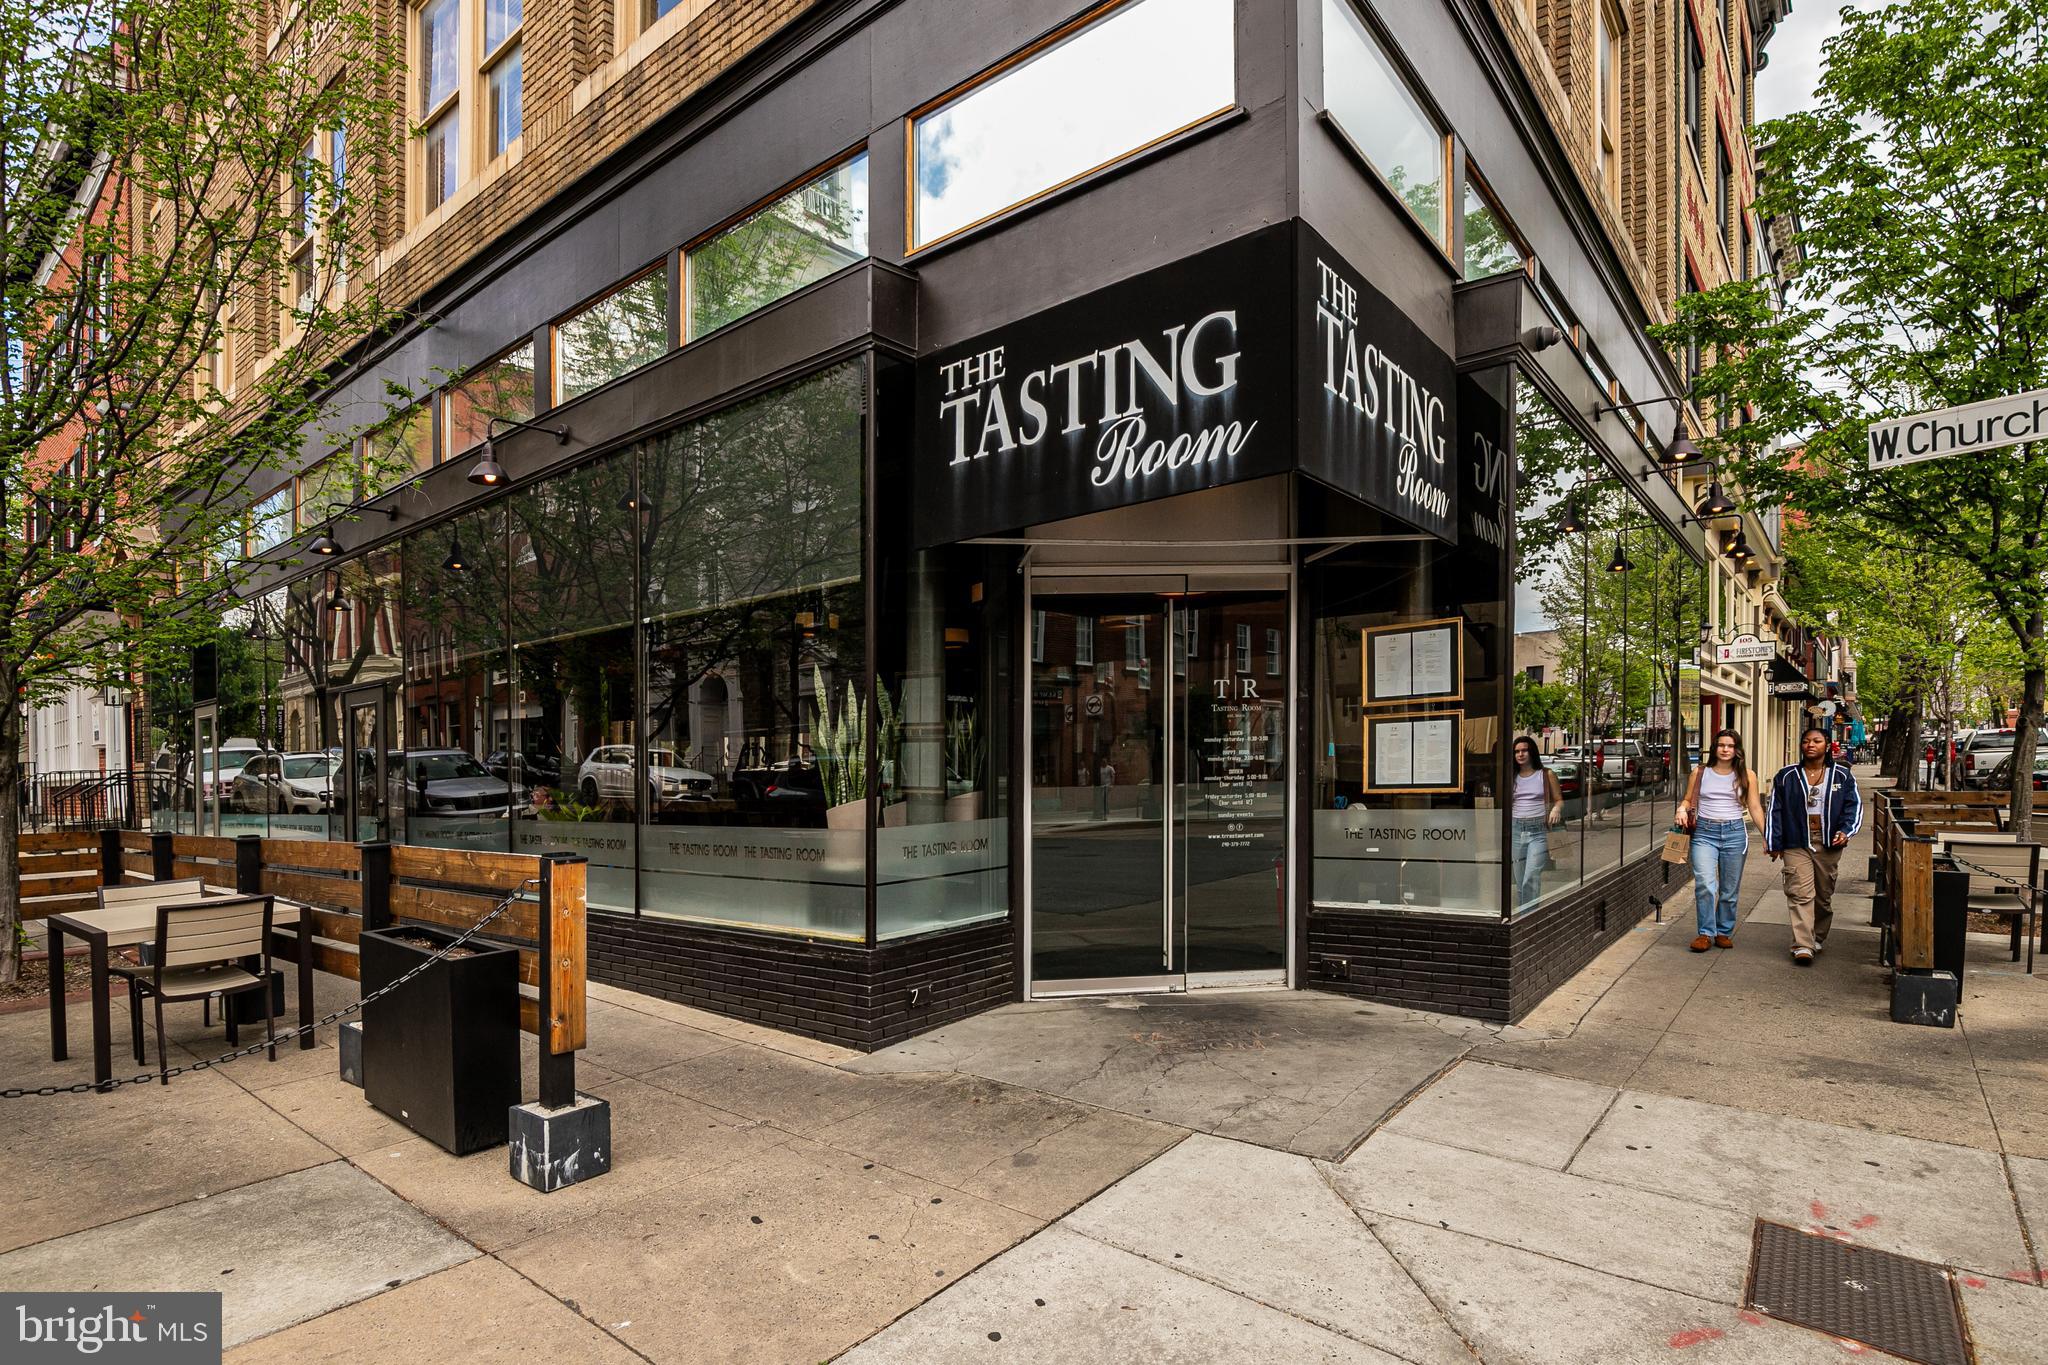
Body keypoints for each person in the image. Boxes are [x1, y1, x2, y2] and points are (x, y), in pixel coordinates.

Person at [1765, 725, 1864, 965]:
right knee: (1800, 892)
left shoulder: (1842, 775)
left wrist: (1845, 831)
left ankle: (1817, 936)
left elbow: (1854, 806)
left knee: (1822, 896)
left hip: (1828, 842)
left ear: (1827, 746)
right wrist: (1774, 842)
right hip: (1796, 841)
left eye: (1816, 741)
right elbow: (1774, 810)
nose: (1810, 745)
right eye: (1806, 741)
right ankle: (1803, 944)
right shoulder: (1786, 776)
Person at [1676, 728, 1766, 951]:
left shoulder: (1748, 775)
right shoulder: (1700, 772)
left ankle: (1723, 931)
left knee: (1729, 889)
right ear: (1715, 748)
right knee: (1705, 884)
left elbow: (1755, 807)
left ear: (1737, 750)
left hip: (1735, 833)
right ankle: (1706, 933)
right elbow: (1688, 799)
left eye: (1730, 746)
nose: (1725, 749)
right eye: (1721, 745)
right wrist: (1681, 808)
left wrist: (1767, 836)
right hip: (1704, 833)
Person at [1509, 736, 1565, 911]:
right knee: (1519, 880)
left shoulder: (1546, 774)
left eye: (1524, 750)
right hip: (1516, 829)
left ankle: (1528, 916)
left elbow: (1559, 800)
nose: (1520, 754)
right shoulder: (1512, 777)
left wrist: (1556, 809)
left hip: (1538, 831)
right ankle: (1526, 915)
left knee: (1531, 876)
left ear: (1532, 751)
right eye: (1517, 751)